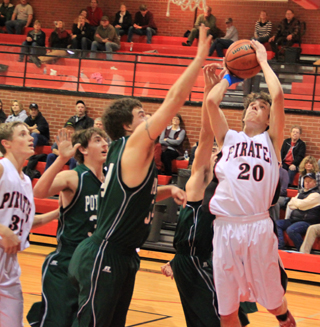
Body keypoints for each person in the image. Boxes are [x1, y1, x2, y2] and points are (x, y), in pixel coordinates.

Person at [68, 24, 212, 327]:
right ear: (127, 127)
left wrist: (168, 189)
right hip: (105, 253)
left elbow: (132, 196)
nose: (149, 118)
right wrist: (198, 59)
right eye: (142, 116)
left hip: (123, 255)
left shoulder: (126, 152)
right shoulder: (134, 145)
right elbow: (174, 99)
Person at [205, 39, 296, 327]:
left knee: (271, 300)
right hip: (225, 226)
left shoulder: (272, 141)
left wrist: (262, 60)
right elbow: (210, 102)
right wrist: (228, 75)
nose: (254, 109)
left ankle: (285, 318)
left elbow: (278, 95)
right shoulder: (228, 138)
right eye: (252, 105)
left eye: (260, 107)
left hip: (257, 226)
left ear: (269, 120)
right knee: (227, 309)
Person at [161, 63, 254, 327]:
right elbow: (205, 133)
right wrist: (209, 89)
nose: (216, 152)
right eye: (214, 151)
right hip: (193, 261)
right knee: (222, 320)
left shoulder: (230, 187)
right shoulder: (201, 180)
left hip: (214, 261)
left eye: (220, 152)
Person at [27, 127, 108, 327]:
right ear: (84, 150)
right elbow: (39, 191)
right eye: (98, 140)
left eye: (105, 140)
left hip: (92, 264)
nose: (105, 144)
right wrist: (61, 159)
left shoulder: (108, 180)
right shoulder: (74, 176)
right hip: (66, 262)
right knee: (57, 321)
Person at [0, 121, 35, 326]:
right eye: (22, 134)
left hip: (9, 264)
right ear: (7, 143)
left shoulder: (26, 181)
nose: (30, 138)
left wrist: (60, 213)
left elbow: (26, 223)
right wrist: (3, 229)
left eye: (29, 133)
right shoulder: (2, 168)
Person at [277, 172, 320, 251]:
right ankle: (280, 246)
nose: (307, 183)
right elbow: (290, 204)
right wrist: (298, 204)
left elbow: (302, 204)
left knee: (291, 230)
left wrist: (296, 202)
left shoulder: (316, 195)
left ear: (314, 183)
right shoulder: (301, 192)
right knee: (276, 224)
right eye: (305, 180)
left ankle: (301, 250)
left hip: (307, 221)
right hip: (294, 219)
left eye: (309, 181)